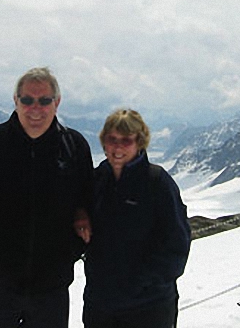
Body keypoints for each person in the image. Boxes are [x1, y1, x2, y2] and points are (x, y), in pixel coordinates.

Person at [0, 67, 94, 328]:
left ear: (56, 103)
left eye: (44, 100)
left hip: (51, 290)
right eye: (27, 100)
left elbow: (89, 201)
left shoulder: (74, 147)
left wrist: (69, 252)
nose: (35, 108)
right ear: (15, 101)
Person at [83, 109, 191, 328]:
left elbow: (177, 245)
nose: (118, 147)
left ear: (140, 142)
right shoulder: (96, 181)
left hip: (148, 307)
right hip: (101, 306)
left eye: (126, 140)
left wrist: (143, 282)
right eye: (112, 139)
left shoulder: (157, 182)